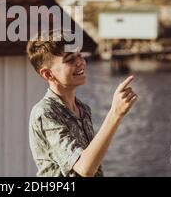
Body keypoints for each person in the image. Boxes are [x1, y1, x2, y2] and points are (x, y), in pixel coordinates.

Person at [27, 30, 138, 177]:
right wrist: (115, 113)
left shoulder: (83, 109)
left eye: (79, 55)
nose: (80, 62)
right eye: (69, 59)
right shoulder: (44, 113)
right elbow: (85, 168)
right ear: (48, 74)